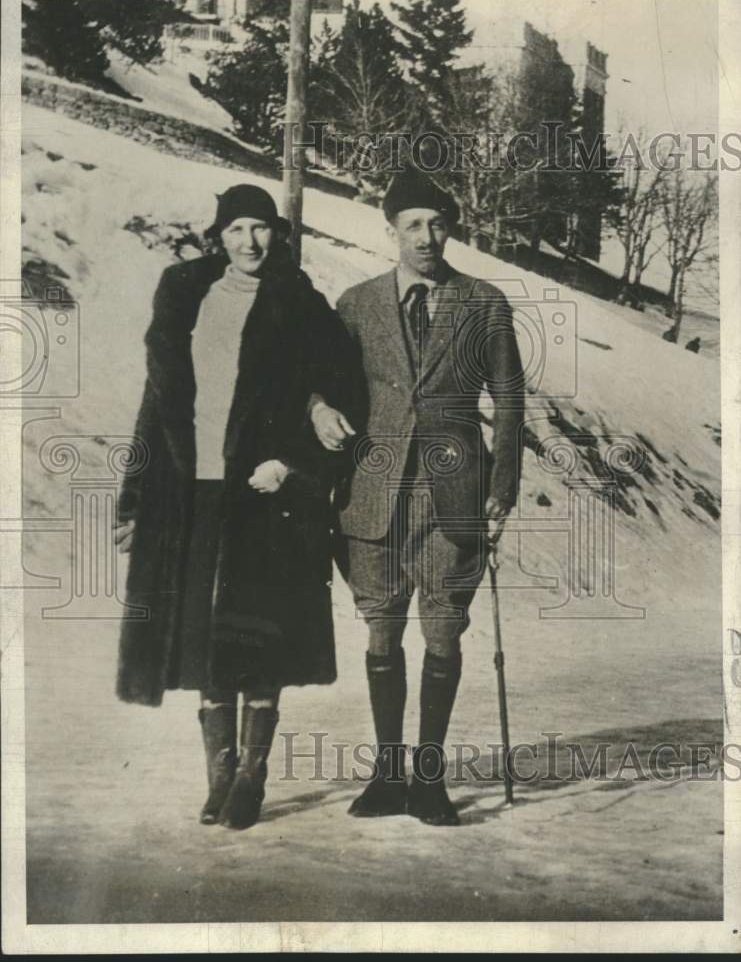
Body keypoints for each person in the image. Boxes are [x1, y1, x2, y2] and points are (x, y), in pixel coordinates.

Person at [115, 184, 337, 831]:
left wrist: (292, 464)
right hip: (193, 491)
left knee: (256, 635)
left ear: (277, 235)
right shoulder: (187, 298)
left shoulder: (298, 304)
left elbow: (330, 392)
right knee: (205, 639)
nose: (249, 241)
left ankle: (250, 777)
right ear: (218, 236)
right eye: (237, 228)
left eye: (261, 228)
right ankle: (218, 775)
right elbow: (155, 406)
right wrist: (133, 499)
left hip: (265, 494)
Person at [311, 166, 525, 827]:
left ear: (450, 229)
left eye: (436, 224)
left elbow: (511, 396)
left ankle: (427, 780)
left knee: (441, 630)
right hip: (371, 495)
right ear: (391, 231)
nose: (426, 236)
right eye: (412, 225)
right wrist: (316, 407)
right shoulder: (356, 303)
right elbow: (320, 380)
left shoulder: (483, 303)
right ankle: (385, 775)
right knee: (380, 630)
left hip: (452, 496)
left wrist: (503, 483)